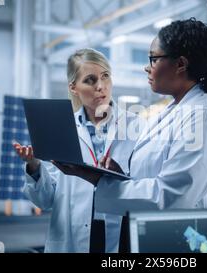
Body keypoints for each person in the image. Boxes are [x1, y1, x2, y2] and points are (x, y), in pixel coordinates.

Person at [54, 18, 207, 214]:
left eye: (154, 59)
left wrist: (100, 181)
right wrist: (119, 178)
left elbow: (172, 196)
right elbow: (156, 180)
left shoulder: (202, 116)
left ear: (180, 64)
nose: (147, 67)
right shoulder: (175, 111)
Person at [13, 48, 141, 252]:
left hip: (119, 234)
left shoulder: (137, 126)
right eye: (90, 80)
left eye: (105, 76)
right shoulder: (60, 128)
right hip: (70, 238)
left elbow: (147, 188)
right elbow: (44, 200)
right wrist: (34, 165)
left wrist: (121, 177)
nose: (101, 86)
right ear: (74, 88)